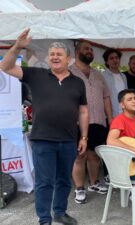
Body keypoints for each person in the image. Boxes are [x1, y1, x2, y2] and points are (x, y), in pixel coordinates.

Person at [0, 29, 89, 225]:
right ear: (48, 59)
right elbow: (5, 66)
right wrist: (17, 47)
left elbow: (83, 111)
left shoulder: (78, 83)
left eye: (59, 54)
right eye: (52, 55)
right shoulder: (35, 74)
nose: (55, 57)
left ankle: (60, 212)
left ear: (69, 60)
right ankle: (44, 219)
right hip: (43, 139)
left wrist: (83, 137)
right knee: (44, 182)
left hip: (68, 139)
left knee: (65, 181)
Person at [69, 41, 111, 204]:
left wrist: (110, 118)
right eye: (86, 49)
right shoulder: (68, 73)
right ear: (77, 51)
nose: (90, 51)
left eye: (92, 49)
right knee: (80, 156)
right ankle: (79, 188)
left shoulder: (98, 74)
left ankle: (93, 183)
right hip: (77, 123)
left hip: (99, 121)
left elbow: (106, 97)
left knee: (94, 155)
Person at [101, 48, 127, 117]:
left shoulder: (123, 76)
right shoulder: (102, 76)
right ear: (107, 62)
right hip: (110, 115)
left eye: (116, 58)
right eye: (111, 58)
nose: (115, 60)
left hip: (124, 113)